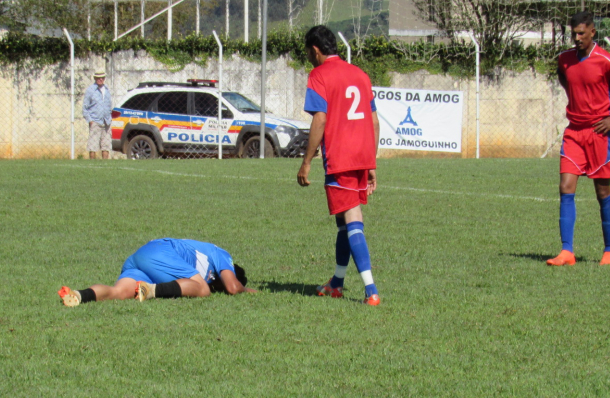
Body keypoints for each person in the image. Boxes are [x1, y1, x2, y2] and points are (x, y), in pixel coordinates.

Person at [547, 10, 610, 266]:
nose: (577, 38)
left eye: (581, 33)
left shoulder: (607, 60)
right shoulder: (565, 59)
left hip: (599, 134)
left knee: (602, 191)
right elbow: (564, 76)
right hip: (574, 133)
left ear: (593, 32)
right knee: (565, 188)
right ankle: (567, 251)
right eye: (574, 34)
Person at [296, 25, 381, 306]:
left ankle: (371, 292)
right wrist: (372, 162)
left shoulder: (319, 74)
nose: (309, 57)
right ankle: (337, 282)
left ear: (316, 50)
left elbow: (320, 119)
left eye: (309, 52)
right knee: (344, 221)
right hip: (362, 156)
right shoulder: (359, 74)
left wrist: (306, 162)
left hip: (341, 158)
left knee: (353, 220)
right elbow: (374, 120)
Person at [58, 238, 253, 305]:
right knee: (202, 289)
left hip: (142, 256)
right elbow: (233, 287)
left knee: (118, 292)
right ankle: (151, 291)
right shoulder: (221, 254)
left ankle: (78, 295)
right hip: (162, 252)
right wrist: (251, 291)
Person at [83, 68, 113, 159]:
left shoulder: (107, 90)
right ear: (95, 78)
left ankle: (105, 165)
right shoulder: (90, 90)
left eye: (102, 78)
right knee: (93, 145)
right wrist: (90, 121)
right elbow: (85, 107)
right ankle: (92, 164)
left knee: (106, 145)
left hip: (106, 121)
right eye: (98, 78)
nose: (101, 79)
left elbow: (109, 105)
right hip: (95, 120)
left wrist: (110, 117)